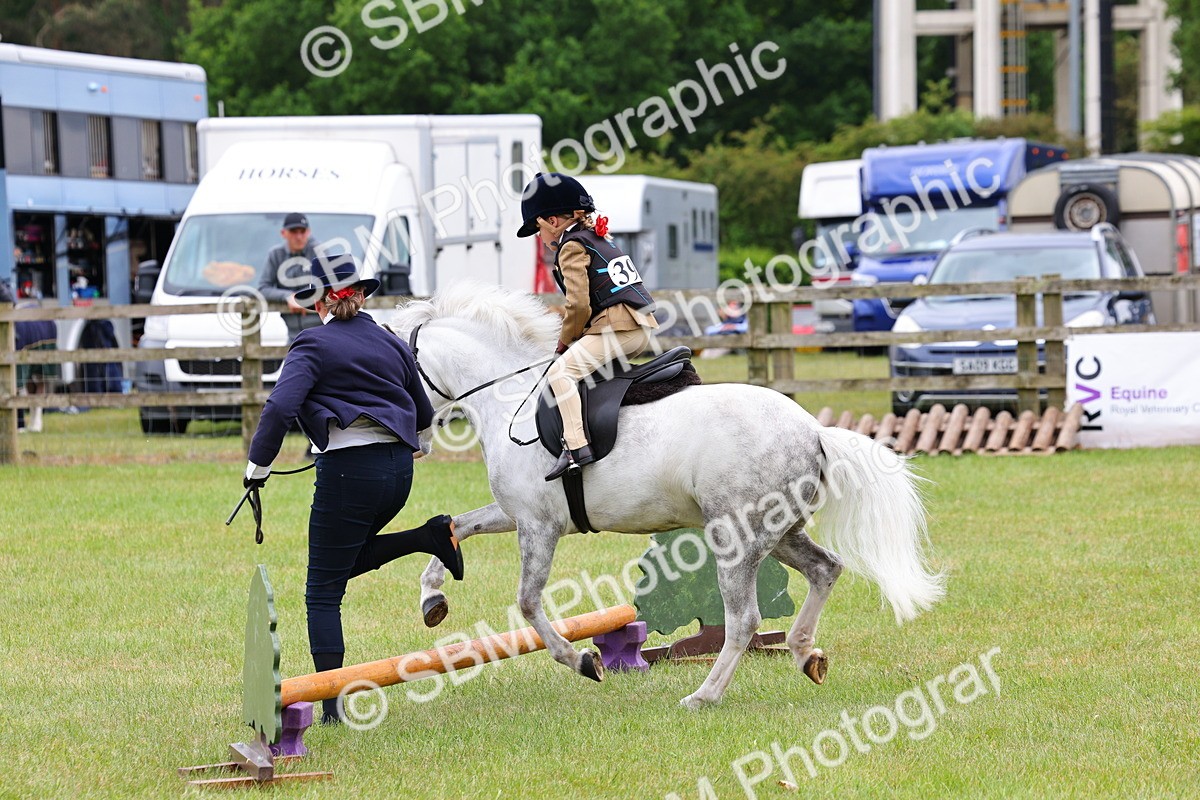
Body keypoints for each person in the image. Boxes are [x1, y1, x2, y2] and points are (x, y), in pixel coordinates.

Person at [243, 253, 463, 724]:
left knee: (321, 592)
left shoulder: (311, 344)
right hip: (398, 474)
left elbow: (280, 408)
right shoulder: (389, 341)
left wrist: (257, 468)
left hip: (348, 474)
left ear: (316, 302)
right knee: (344, 563)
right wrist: (416, 445)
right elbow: (424, 411)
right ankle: (429, 537)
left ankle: (332, 709)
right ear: (361, 295)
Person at [516, 173, 660, 481]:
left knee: (561, 372)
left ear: (552, 220)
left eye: (538, 229)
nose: (539, 237)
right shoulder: (597, 237)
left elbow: (579, 305)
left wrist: (564, 342)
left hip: (617, 326)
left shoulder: (571, 246)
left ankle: (576, 448)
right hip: (640, 323)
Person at [259, 213, 322, 342]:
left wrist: (302, 298)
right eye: (293, 231)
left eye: (302, 231)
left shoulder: (319, 252)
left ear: (308, 232)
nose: (299, 237)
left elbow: (329, 286)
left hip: (322, 331)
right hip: (293, 336)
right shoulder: (275, 255)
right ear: (283, 233)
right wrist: (288, 296)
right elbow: (262, 288)